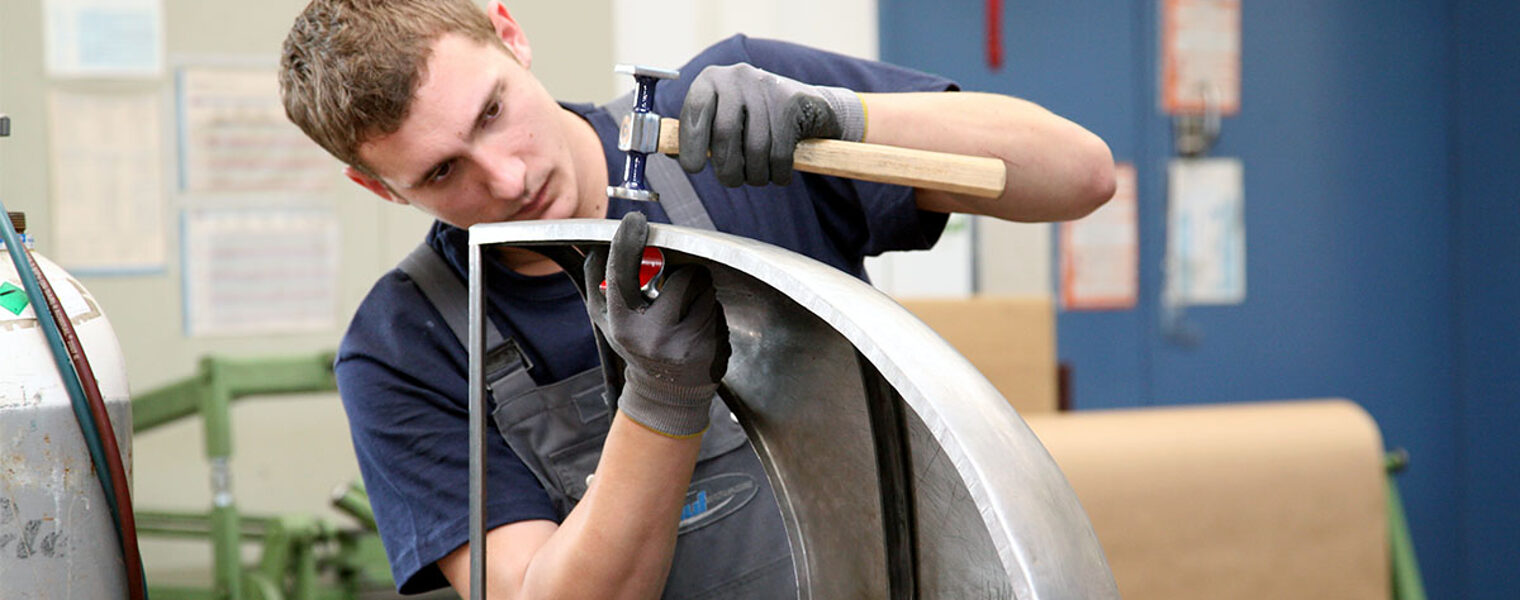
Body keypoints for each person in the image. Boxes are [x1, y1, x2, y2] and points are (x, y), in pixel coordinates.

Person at [279, 0, 1115, 597]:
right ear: (379, 187)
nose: (508, 177)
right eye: (441, 172)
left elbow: (1080, 175)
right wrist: (663, 401)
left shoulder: (735, 121)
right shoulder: (407, 345)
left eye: (493, 113)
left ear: (509, 30)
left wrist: (845, 123)